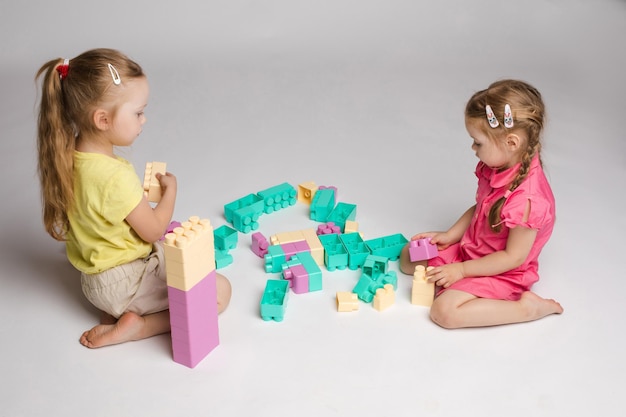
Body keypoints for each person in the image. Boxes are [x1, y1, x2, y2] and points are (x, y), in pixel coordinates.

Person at [35, 48, 231, 348]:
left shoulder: (68, 156)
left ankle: (118, 311)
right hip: (124, 283)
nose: (144, 119)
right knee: (219, 293)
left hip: (94, 282)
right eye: (138, 112)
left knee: (169, 254)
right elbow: (153, 229)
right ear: (102, 120)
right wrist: (170, 193)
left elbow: (104, 211)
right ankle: (139, 326)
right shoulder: (115, 177)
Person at [400, 79, 563, 329]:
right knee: (408, 257)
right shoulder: (497, 165)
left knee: (444, 313)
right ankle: (459, 270)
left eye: (478, 142)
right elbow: (481, 208)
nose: (473, 147)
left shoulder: (528, 201)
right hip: (473, 249)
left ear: (511, 143)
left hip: (501, 270)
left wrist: (462, 271)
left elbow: (512, 258)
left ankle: (525, 309)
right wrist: (451, 235)